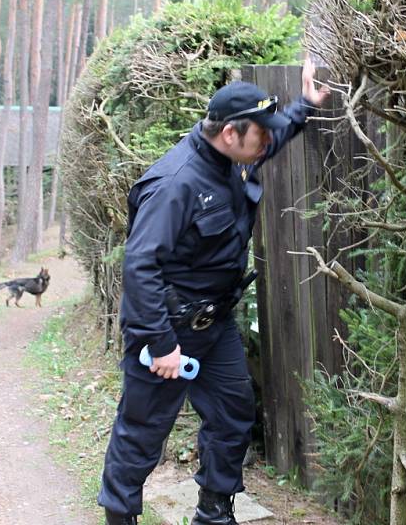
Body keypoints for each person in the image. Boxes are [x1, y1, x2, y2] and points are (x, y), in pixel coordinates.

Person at [99, 59, 330, 525]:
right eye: (258, 134)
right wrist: (161, 345)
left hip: (215, 324)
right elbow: (139, 264)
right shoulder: (175, 183)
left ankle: (214, 512)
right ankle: (120, 517)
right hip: (166, 333)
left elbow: (274, 134)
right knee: (143, 432)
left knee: (233, 416)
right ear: (230, 133)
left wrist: (304, 106)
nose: (267, 141)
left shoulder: (233, 157)